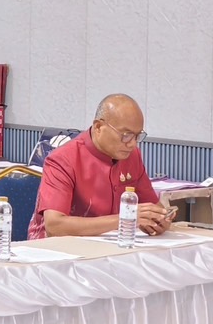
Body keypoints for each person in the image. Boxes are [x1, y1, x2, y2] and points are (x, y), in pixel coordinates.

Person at [29, 93, 174, 239]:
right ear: (98, 127)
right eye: (126, 135)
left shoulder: (132, 155)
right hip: (56, 250)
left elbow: (153, 206)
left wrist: (159, 220)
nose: (132, 144)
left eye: (138, 136)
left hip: (110, 244)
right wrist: (124, 219)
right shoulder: (62, 160)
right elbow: (55, 226)